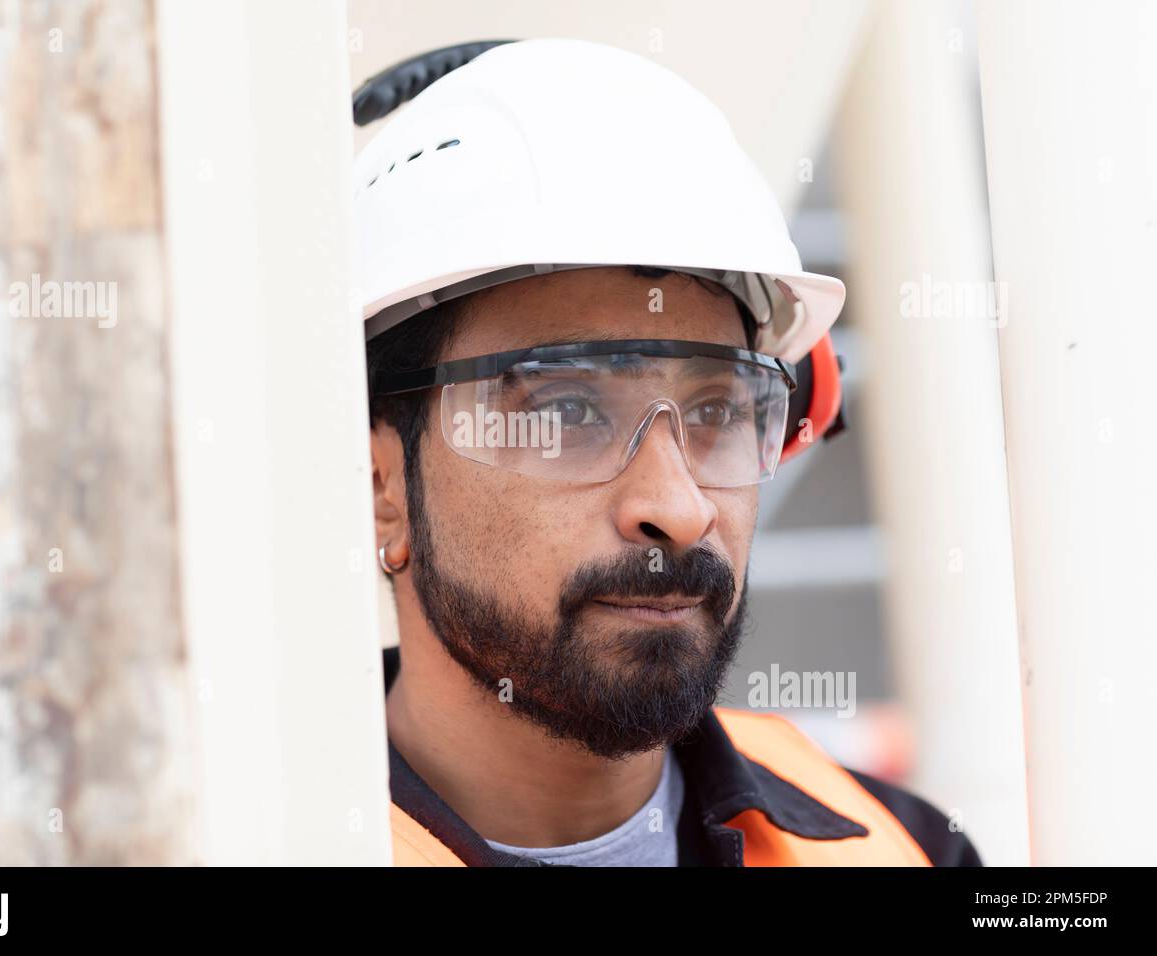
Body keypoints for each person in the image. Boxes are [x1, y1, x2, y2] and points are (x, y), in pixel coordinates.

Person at [355, 37, 980, 867]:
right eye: (568, 411)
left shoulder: (900, 846)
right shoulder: (224, 840)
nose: (680, 510)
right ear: (380, 487)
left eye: (718, 410)